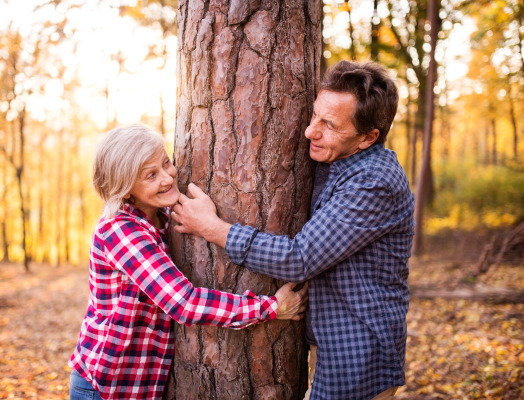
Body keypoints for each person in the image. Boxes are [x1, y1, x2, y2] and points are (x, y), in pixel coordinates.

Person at [171, 61, 415, 400]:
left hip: (359, 351)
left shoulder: (373, 182)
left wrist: (212, 228)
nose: (310, 131)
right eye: (315, 115)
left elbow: (301, 257)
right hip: (333, 344)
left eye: (329, 125)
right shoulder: (337, 161)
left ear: (367, 138)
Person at [68, 124, 308, 400]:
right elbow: (185, 304)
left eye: (166, 163)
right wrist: (271, 307)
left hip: (140, 385)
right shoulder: (121, 231)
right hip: (107, 386)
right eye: (151, 175)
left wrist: (207, 223)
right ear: (125, 188)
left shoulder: (162, 218)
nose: (168, 177)